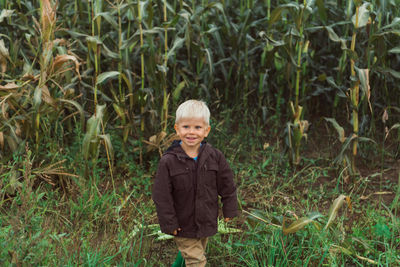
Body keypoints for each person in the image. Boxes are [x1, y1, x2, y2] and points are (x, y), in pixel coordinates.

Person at [152, 100, 238, 267]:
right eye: (186, 127)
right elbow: (161, 195)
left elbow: (227, 185)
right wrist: (169, 222)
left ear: (206, 131)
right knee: (197, 261)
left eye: (197, 128)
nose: (191, 132)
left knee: (189, 257)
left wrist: (229, 208)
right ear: (177, 129)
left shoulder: (215, 156)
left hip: (206, 220)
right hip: (182, 223)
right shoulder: (169, 161)